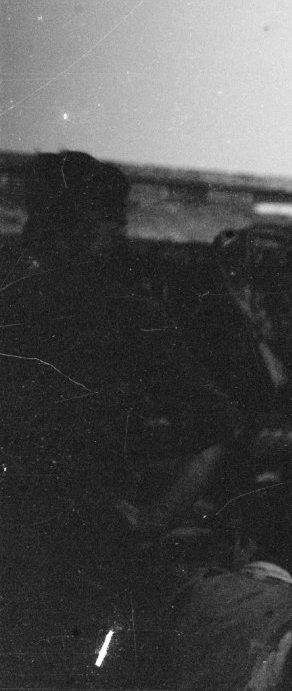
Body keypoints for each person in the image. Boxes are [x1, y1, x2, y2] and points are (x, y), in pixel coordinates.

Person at [1, 151, 242, 534]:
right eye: (109, 216)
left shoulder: (120, 310)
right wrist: (153, 520)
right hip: (78, 531)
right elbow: (216, 425)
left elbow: (214, 424)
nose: (120, 227)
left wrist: (153, 518)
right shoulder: (126, 311)